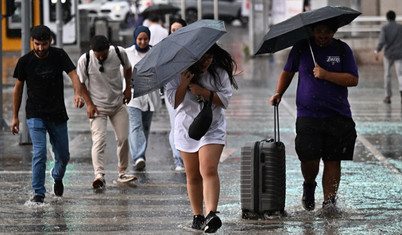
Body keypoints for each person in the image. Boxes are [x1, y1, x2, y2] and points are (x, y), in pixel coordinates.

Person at [269, 21, 358, 215]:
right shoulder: (301, 47)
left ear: (333, 31)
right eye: (319, 31)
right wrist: (278, 93)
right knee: (309, 159)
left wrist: (326, 75)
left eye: (327, 31)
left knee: (333, 159)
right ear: (313, 31)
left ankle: (329, 202)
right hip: (308, 115)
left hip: (338, 114)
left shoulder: (342, 49)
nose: (323, 35)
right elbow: (288, 72)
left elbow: (353, 79)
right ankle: (309, 185)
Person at [165, 43, 238, 232]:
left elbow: (224, 101)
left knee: (208, 168)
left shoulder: (220, 73)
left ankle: (211, 214)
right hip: (186, 129)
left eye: (209, 57)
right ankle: (197, 215)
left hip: (213, 128)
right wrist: (183, 84)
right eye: (202, 58)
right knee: (193, 175)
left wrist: (203, 91)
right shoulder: (176, 73)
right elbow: (174, 102)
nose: (206, 62)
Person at [11, 25, 84, 203]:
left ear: (50, 41)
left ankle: (57, 176)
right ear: (32, 42)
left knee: (63, 155)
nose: (41, 48)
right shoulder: (25, 61)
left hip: (57, 113)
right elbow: (18, 89)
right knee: (40, 153)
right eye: (37, 44)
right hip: (35, 114)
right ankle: (38, 193)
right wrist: (15, 117)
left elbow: (74, 75)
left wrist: (77, 93)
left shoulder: (59, 55)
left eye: (44, 44)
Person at [76, 35, 137, 189]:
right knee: (99, 140)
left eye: (104, 53)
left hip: (117, 104)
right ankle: (99, 175)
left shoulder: (118, 52)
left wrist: (127, 88)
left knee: (123, 138)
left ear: (109, 46)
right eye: (98, 55)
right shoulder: (86, 59)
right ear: (92, 50)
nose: (101, 57)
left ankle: (122, 171)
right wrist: (89, 104)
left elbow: (128, 68)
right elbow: (81, 83)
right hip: (97, 107)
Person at [125, 26, 161, 170]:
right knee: (135, 125)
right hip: (133, 96)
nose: (142, 42)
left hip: (150, 95)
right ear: (135, 38)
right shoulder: (127, 53)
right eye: (140, 39)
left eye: (145, 39)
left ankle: (141, 154)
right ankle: (138, 156)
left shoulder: (155, 52)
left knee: (145, 126)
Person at [167, 18, 187, 171]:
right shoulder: (166, 48)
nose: (175, 32)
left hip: (190, 89)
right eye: (173, 30)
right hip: (173, 89)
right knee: (176, 124)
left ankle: (188, 154)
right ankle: (178, 159)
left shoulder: (191, 46)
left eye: (179, 29)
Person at [374, 10, 402, 104]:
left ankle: (388, 96)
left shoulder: (385, 28)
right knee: (400, 75)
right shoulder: (400, 27)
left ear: (387, 18)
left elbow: (382, 41)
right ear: (395, 17)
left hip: (388, 55)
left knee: (387, 75)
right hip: (399, 54)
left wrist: (377, 50)